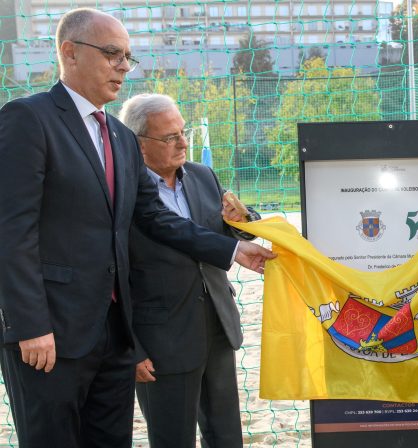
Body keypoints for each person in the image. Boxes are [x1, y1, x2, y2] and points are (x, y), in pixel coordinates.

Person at [0, 8, 274, 447]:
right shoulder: (28, 119)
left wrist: (233, 251)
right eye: (112, 54)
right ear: (69, 53)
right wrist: (30, 325)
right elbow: (12, 233)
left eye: (128, 57)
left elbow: (155, 218)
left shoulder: (121, 139)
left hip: (113, 334)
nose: (124, 66)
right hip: (50, 336)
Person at [119, 93, 252, 447]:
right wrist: (131, 347)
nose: (182, 142)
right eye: (170, 137)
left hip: (217, 328)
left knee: (227, 437)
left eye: (183, 132)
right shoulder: (121, 194)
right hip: (161, 345)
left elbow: (232, 230)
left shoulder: (202, 175)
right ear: (139, 144)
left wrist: (245, 220)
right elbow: (113, 277)